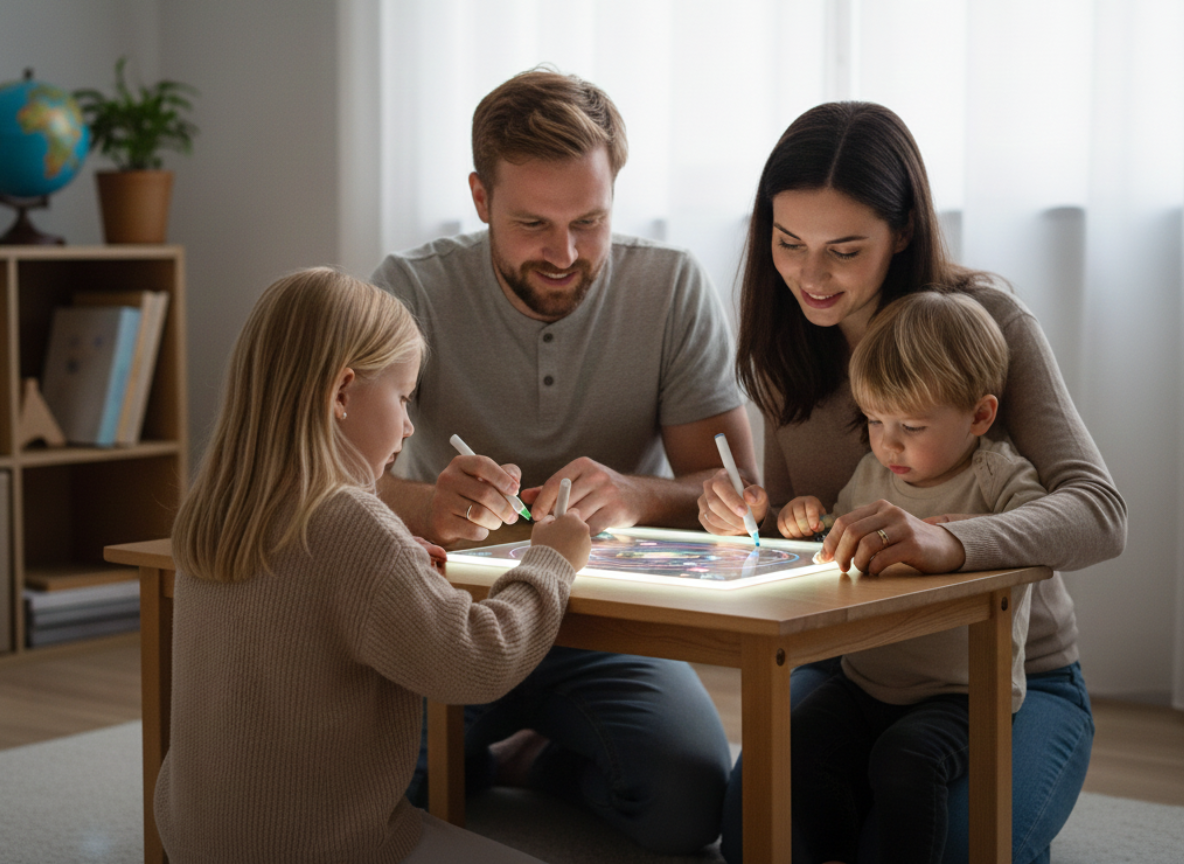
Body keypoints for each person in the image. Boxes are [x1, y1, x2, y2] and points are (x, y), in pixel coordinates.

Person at [699, 102, 1127, 864]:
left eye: (844, 249)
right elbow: (820, 529)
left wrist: (949, 542)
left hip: (1007, 681)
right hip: (856, 668)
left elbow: (1098, 513)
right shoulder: (787, 346)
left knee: (958, 847)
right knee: (756, 838)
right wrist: (757, 522)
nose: (810, 275)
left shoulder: (986, 324)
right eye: (788, 243)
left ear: (900, 235)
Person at [369, 68, 751, 854]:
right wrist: (427, 507)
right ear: (480, 199)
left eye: (590, 221)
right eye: (533, 224)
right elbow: (333, 476)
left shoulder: (671, 285)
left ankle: (531, 757)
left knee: (685, 806)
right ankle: (481, 750)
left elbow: (735, 493)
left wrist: (639, 496)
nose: (565, 254)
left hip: (606, 623)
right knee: (361, 789)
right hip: (448, 613)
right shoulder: (411, 288)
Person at [157, 268, 592, 863]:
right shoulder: (350, 524)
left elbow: (304, 604)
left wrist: (397, 564)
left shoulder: (213, 511)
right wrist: (551, 560)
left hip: (198, 842)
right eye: (403, 397)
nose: (409, 425)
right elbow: (476, 661)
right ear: (342, 392)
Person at [782, 290, 1047, 864]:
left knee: (906, 760)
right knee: (799, 743)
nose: (888, 442)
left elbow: (1037, 527)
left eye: (911, 425)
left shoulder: (996, 473)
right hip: (866, 681)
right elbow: (844, 529)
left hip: (963, 693)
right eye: (875, 419)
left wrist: (966, 533)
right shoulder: (873, 470)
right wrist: (810, 520)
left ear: (980, 415)